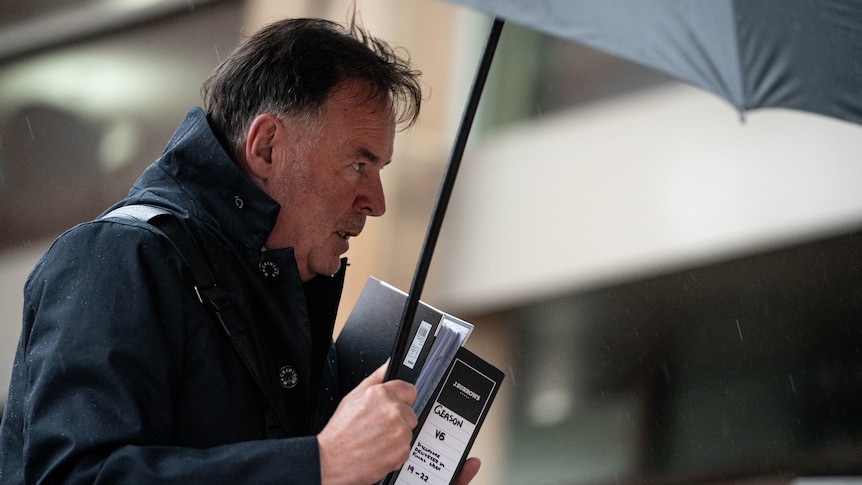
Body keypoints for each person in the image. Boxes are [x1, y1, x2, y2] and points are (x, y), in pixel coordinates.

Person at [0, 17, 480, 484]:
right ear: (267, 147)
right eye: (358, 164)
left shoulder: (286, 297)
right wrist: (322, 463)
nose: (376, 203)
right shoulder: (118, 257)